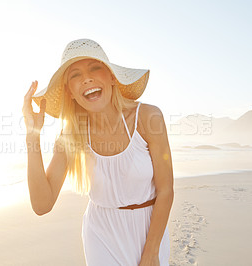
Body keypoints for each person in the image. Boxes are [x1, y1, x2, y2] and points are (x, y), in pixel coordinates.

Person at [22, 39, 174, 266]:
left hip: (150, 231)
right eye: (75, 75)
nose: (87, 78)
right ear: (70, 92)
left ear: (112, 77)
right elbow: (42, 205)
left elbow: (166, 190)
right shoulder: (70, 136)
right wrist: (32, 135)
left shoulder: (148, 118)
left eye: (95, 68)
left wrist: (151, 253)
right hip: (101, 235)